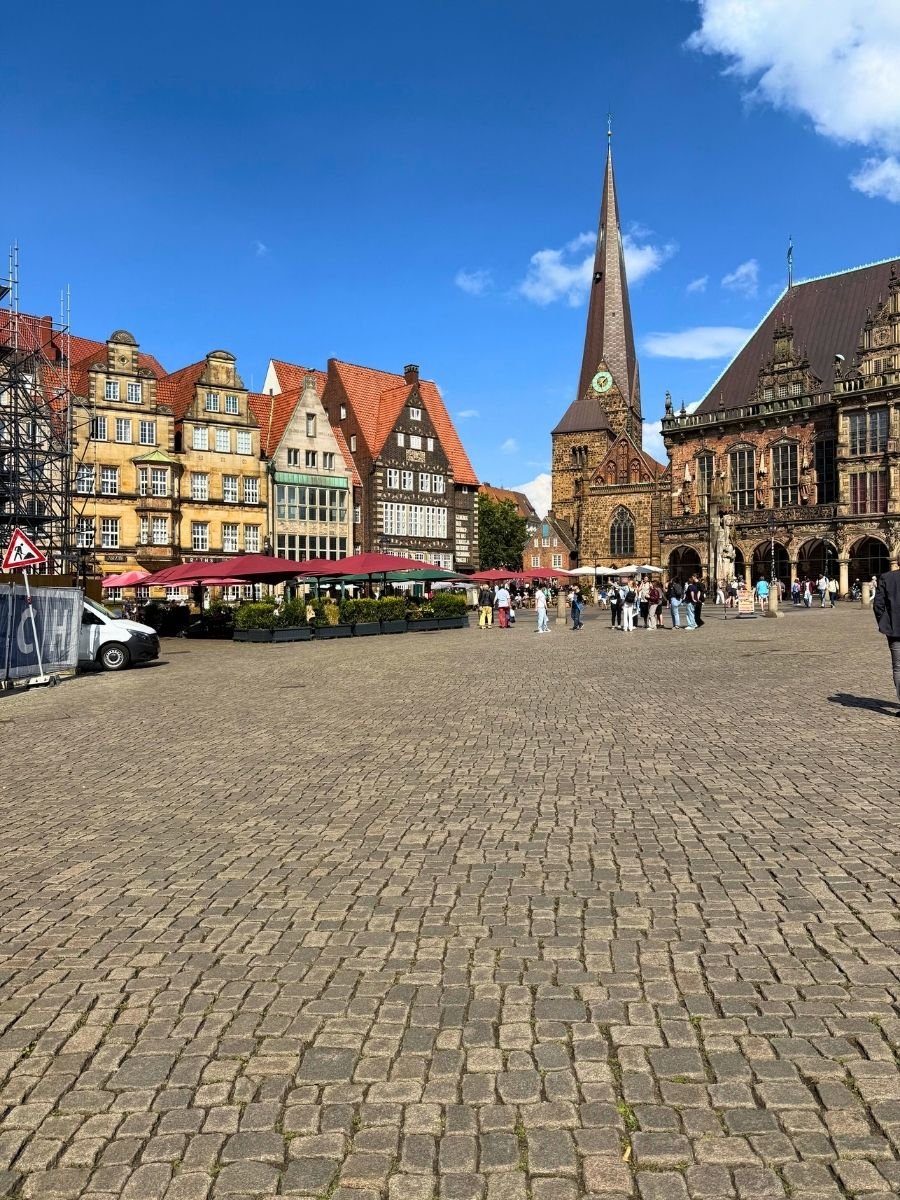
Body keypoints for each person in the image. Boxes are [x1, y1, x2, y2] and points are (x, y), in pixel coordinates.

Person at [873, 563, 900, 711]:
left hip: (894, 629)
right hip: (893, 629)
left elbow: (878, 605)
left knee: (898, 668)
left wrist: (885, 622)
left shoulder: (887, 577)